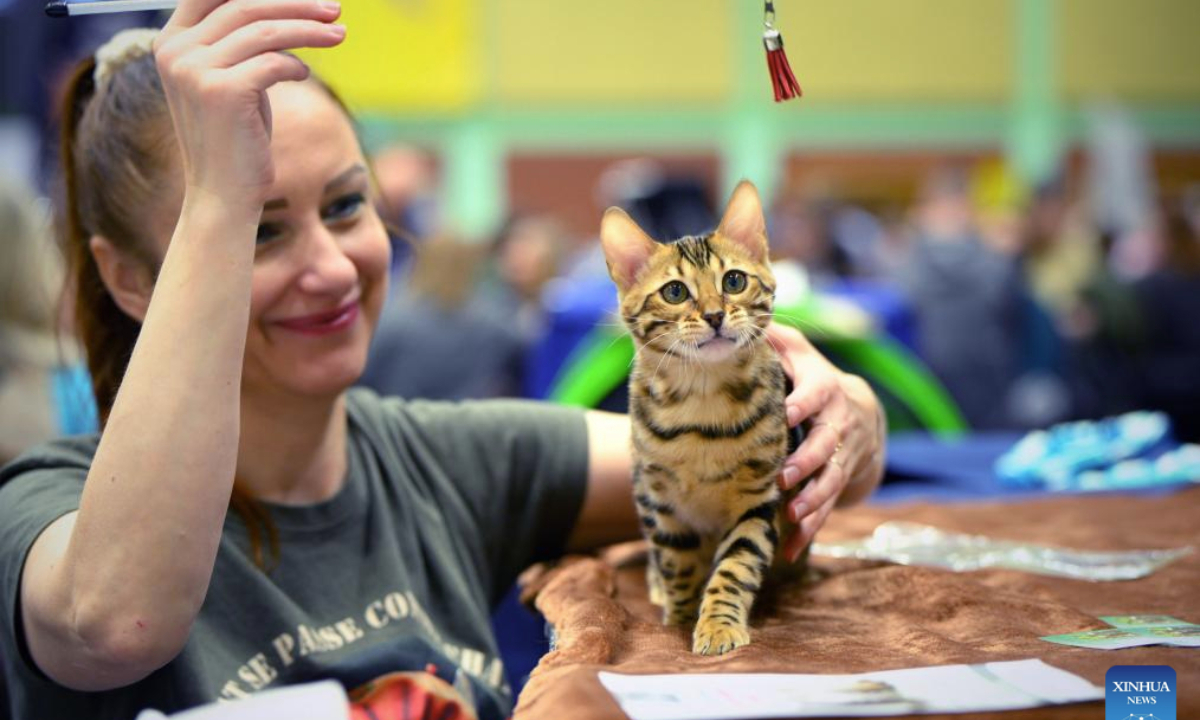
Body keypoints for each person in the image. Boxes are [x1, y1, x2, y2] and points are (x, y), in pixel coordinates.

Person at [0, 2, 886, 718]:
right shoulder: (40, 505)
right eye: (259, 229)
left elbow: (777, 467)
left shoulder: (446, 462)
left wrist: (850, 406)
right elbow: (118, 624)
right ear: (130, 278)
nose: (332, 266)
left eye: (347, 206)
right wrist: (218, 199)